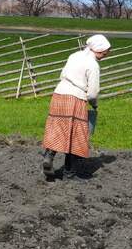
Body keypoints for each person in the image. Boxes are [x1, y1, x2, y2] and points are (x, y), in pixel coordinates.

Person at [41, 34, 111, 179]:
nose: (106, 54)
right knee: (74, 136)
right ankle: (69, 173)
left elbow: (63, 74)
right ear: (99, 50)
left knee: (58, 128)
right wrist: (94, 105)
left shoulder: (74, 55)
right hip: (75, 98)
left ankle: (49, 154)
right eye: (105, 51)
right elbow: (92, 94)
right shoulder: (93, 65)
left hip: (59, 95)